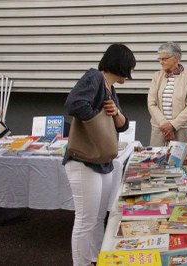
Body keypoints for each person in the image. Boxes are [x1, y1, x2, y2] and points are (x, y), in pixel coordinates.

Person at [63, 43, 136, 266]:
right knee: (85, 220)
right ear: (121, 65)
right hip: (84, 160)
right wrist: (96, 124)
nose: (130, 74)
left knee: (96, 218)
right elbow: (74, 103)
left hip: (102, 161)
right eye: (130, 68)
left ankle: (97, 258)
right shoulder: (94, 78)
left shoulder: (110, 89)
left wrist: (115, 113)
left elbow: (122, 127)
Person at [147, 42, 187, 146]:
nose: (161, 62)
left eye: (164, 59)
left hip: (181, 128)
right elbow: (151, 103)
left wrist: (173, 125)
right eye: (159, 59)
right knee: (156, 158)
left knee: (178, 159)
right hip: (159, 128)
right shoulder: (156, 76)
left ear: (175, 58)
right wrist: (164, 124)